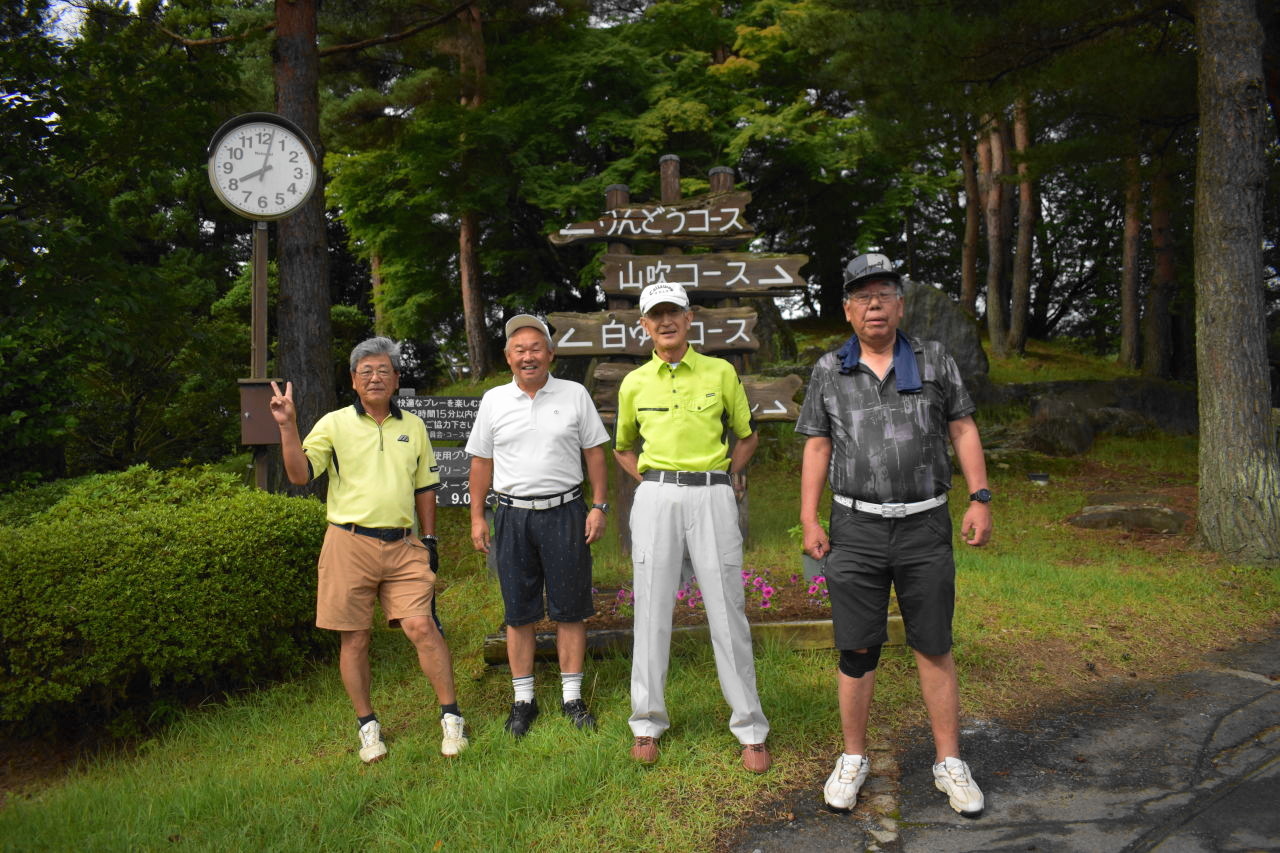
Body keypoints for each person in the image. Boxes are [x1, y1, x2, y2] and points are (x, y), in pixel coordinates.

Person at [795, 253, 992, 817]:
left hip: (924, 525)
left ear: (900, 305)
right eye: (862, 296)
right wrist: (809, 518)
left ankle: (949, 761)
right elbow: (817, 445)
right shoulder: (830, 369)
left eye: (884, 294)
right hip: (854, 527)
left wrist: (979, 497)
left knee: (933, 642)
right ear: (847, 310)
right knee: (856, 647)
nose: (874, 305)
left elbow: (962, 427)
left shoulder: (935, 359)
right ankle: (853, 757)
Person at [269, 336, 468, 764]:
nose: (375, 378)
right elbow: (300, 475)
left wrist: (430, 539)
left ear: (396, 379)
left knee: (422, 627)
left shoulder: (413, 426)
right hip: (348, 542)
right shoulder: (333, 424)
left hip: (404, 544)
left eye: (383, 371)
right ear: (353, 380)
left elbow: (425, 486)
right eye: (366, 372)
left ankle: (451, 717)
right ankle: (368, 725)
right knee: (355, 637)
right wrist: (287, 426)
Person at [613, 281, 772, 773]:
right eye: (656, 315)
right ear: (644, 324)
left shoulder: (720, 372)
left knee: (728, 610)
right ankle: (646, 723)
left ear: (689, 318)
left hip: (712, 494)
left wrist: (726, 477)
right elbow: (622, 447)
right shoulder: (634, 383)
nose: (666, 322)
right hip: (656, 495)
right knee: (651, 611)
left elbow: (746, 435)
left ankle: (750, 729)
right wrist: (654, 483)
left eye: (674, 313)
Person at [466, 314, 611, 737]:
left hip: (566, 512)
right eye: (519, 349)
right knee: (519, 611)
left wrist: (599, 506)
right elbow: (481, 462)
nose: (527, 356)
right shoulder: (494, 400)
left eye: (535, 348)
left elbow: (595, 453)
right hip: (512, 517)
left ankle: (572, 697)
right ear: (507, 357)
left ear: (550, 353)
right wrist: (477, 516)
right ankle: (523, 700)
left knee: (571, 608)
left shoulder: (574, 394)